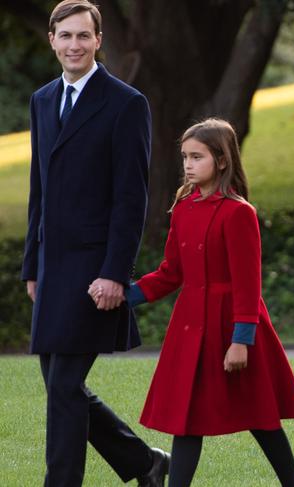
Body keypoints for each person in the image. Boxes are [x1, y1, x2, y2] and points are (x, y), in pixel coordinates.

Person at [92, 118, 294, 486]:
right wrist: (124, 295)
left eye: (197, 157)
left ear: (222, 161)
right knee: (187, 418)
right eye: (185, 158)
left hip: (234, 328)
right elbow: (170, 273)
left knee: (261, 416)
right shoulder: (183, 208)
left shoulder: (239, 213)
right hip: (191, 328)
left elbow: (248, 283)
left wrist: (241, 340)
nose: (188, 165)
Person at [20, 1, 169, 486]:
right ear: (52, 39)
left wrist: (113, 273)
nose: (74, 45)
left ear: (99, 41)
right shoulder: (43, 100)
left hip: (94, 269)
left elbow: (131, 199)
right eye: (65, 36)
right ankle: (144, 464)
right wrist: (31, 267)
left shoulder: (126, 103)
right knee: (60, 384)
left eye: (84, 36)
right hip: (52, 265)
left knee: (64, 385)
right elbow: (38, 190)